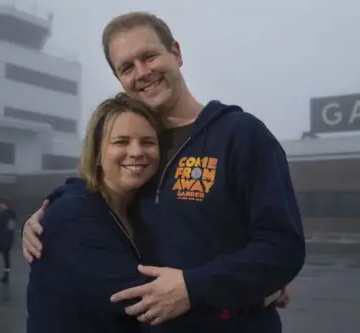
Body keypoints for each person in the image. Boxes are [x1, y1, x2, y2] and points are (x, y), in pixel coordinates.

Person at [23, 11, 305, 333]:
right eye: (126, 67)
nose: (142, 73)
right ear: (120, 79)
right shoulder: (142, 154)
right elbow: (96, 191)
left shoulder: (241, 136)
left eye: (149, 56)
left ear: (176, 53)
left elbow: (283, 248)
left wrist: (199, 287)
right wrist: (52, 207)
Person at [27, 93, 161, 333]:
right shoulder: (73, 216)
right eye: (121, 142)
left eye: (148, 142)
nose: (137, 152)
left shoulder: (137, 211)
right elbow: (144, 300)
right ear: (97, 153)